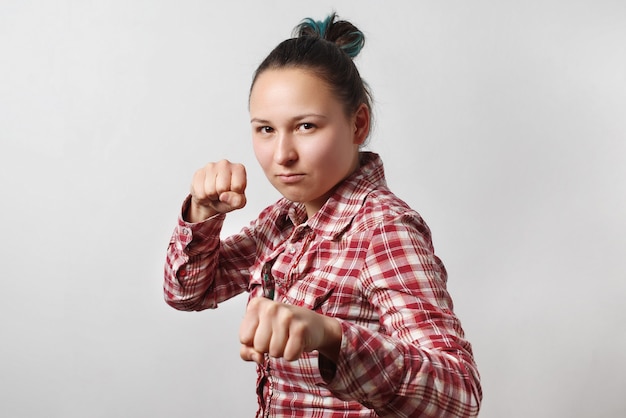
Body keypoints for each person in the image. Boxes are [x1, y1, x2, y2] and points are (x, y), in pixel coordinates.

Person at [164, 13, 482, 418]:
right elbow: (189, 293)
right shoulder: (283, 220)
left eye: (306, 126)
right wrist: (202, 212)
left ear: (358, 124)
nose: (282, 155)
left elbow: (458, 396)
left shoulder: (383, 230)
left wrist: (332, 337)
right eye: (265, 130)